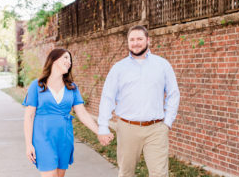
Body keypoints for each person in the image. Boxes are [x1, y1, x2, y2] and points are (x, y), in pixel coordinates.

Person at [97, 25, 180, 177]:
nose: (136, 43)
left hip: (156, 129)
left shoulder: (162, 65)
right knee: (126, 173)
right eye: (132, 39)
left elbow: (174, 94)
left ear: (148, 40)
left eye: (139, 39)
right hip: (127, 128)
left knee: (160, 174)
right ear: (128, 42)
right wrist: (103, 126)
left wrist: (167, 122)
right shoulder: (119, 68)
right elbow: (107, 97)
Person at [23, 48, 114, 177]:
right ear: (53, 60)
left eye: (70, 59)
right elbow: (29, 116)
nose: (69, 61)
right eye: (65, 57)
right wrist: (29, 144)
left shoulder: (71, 87)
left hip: (64, 138)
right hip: (43, 138)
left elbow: (82, 114)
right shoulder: (37, 85)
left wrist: (100, 131)